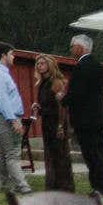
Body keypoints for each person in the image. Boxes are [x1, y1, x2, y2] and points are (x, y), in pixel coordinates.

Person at [62, 33, 103, 194]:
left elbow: (77, 93)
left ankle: (99, 187)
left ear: (80, 48)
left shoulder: (82, 67)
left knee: (92, 154)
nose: (70, 50)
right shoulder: (97, 65)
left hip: (85, 119)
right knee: (99, 153)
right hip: (97, 117)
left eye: (72, 46)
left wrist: (63, 99)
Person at [0, 42, 32, 195]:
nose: (14, 57)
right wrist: (13, 120)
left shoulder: (2, 72)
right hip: (4, 117)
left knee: (1, 153)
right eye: (11, 54)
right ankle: (23, 186)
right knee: (11, 153)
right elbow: (3, 99)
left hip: (4, 116)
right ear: (3, 55)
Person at [31, 53, 75, 193]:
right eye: (38, 63)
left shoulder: (56, 81)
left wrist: (61, 126)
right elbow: (47, 104)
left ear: (50, 65)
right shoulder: (42, 83)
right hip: (47, 122)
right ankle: (52, 187)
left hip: (57, 123)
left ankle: (64, 187)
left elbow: (62, 106)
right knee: (50, 155)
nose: (39, 65)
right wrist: (38, 107)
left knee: (60, 156)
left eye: (43, 63)